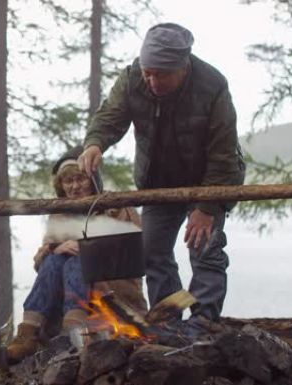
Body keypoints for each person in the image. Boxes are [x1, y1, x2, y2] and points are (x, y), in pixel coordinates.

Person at [78, 23, 245, 335]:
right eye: (147, 72)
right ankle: (170, 320)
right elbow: (110, 115)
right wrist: (95, 143)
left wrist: (206, 208)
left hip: (209, 182)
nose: (151, 81)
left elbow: (223, 154)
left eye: (160, 74)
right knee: (153, 252)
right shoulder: (132, 79)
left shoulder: (212, 86)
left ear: (182, 68)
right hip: (158, 184)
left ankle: (204, 322)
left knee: (205, 250)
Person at [6, 146, 147, 363]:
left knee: (76, 260)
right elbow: (40, 264)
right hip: (65, 297)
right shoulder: (60, 215)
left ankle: (74, 329)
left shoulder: (116, 207)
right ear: (61, 186)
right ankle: (28, 333)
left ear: (92, 178)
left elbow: (133, 252)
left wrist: (87, 247)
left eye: (80, 179)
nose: (74, 186)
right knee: (54, 260)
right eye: (67, 181)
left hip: (110, 291)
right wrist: (54, 248)